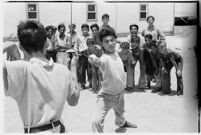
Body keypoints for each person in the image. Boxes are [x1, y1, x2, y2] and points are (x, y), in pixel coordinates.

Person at [3, 20, 80, 133]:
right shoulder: (63, 70)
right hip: (60, 129)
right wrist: (73, 68)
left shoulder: (21, 69)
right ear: (47, 43)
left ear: (21, 46)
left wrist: (9, 46)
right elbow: (73, 101)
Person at [89, 27, 137, 133]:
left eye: (112, 40)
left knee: (120, 112)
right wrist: (93, 58)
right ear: (102, 44)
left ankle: (121, 122)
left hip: (120, 93)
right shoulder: (104, 58)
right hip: (106, 97)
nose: (111, 43)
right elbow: (98, 62)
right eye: (106, 42)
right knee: (96, 121)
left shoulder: (117, 53)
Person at [126, 24, 147, 90]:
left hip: (141, 54)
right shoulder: (128, 37)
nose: (133, 30)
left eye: (135, 29)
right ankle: (130, 85)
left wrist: (139, 51)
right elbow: (128, 47)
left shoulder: (140, 37)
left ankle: (142, 85)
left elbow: (142, 46)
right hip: (132, 54)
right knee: (131, 68)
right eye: (132, 29)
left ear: (137, 30)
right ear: (130, 30)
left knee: (143, 68)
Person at [76, 24, 92, 89]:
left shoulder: (91, 37)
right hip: (82, 54)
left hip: (89, 54)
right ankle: (82, 84)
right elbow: (76, 46)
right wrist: (77, 53)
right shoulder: (79, 37)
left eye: (86, 30)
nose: (85, 31)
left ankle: (91, 82)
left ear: (88, 30)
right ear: (81, 30)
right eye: (83, 30)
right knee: (81, 70)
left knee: (90, 69)